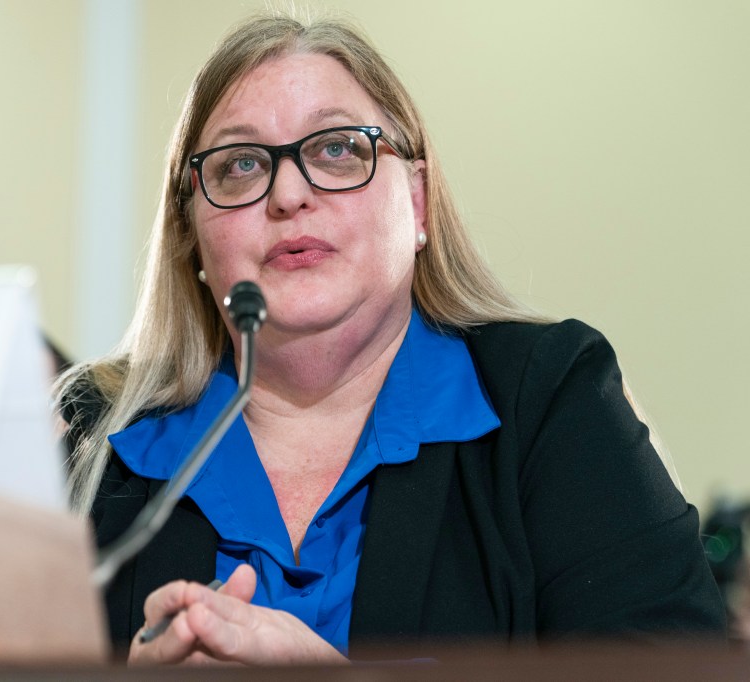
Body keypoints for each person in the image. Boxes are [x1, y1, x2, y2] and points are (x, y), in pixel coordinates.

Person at [57, 11, 726, 665]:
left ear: (417, 201)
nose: (288, 193)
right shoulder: (93, 442)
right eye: (240, 165)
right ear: (192, 238)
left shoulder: (548, 399)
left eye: (337, 149)